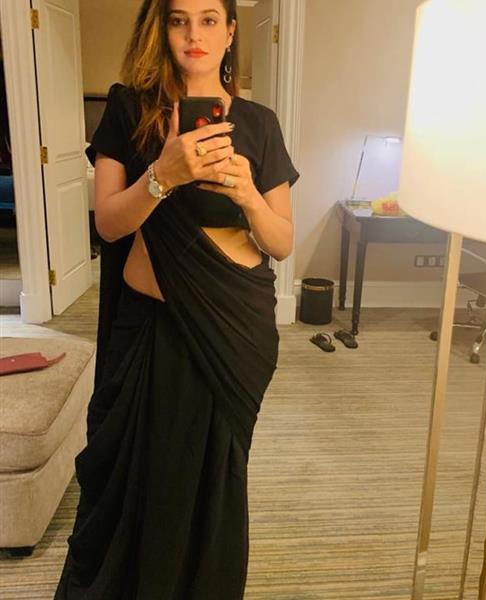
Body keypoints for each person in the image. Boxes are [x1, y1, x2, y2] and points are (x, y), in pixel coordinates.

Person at [54, 0, 299, 597]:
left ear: (230, 31)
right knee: (140, 477)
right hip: (153, 329)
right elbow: (109, 224)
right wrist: (163, 175)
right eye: (179, 19)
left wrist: (249, 195)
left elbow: (282, 241)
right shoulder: (128, 109)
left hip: (235, 331)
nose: (194, 33)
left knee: (213, 481)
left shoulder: (260, 123)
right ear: (161, 28)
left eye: (209, 19)